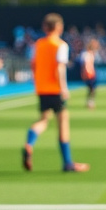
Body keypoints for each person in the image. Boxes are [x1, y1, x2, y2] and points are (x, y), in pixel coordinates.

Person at [22, 14, 89, 173]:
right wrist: (63, 88)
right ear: (59, 27)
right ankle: (67, 162)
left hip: (42, 88)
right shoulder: (60, 45)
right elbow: (59, 68)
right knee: (63, 123)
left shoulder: (38, 44)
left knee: (43, 120)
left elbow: (33, 65)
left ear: (45, 27)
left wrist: (37, 82)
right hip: (55, 89)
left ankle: (29, 143)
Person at [81, 39, 99, 109]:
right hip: (88, 74)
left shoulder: (90, 54)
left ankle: (89, 102)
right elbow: (85, 65)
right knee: (91, 89)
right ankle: (90, 102)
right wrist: (85, 73)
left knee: (91, 89)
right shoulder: (85, 54)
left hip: (91, 73)